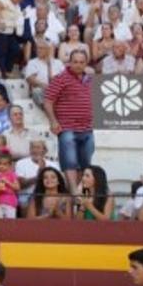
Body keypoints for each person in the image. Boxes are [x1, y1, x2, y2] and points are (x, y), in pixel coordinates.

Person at [44, 50, 93, 189]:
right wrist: (53, 121)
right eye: (75, 62)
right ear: (70, 62)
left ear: (86, 63)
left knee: (84, 163)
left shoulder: (89, 79)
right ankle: (73, 191)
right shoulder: (60, 78)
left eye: (81, 62)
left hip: (87, 128)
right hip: (67, 127)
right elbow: (48, 101)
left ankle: (77, 193)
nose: (78, 65)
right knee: (70, 161)